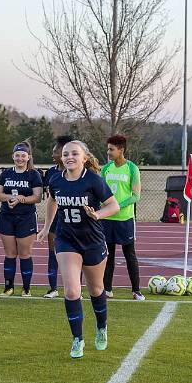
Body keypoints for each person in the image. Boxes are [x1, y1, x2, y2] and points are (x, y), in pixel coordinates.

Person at [37, 140, 119, 359]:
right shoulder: (55, 179)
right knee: (72, 291)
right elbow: (52, 201)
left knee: (96, 289)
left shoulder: (93, 180)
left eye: (74, 153)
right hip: (66, 240)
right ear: (61, 158)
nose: (69, 157)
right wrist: (46, 228)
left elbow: (114, 205)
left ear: (84, 157)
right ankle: (77, 339)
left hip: (92, 240)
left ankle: (102, 327)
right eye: (66, 154)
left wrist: (98, 214)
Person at [0, 141, 43, 297]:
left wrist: (21, 199)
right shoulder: (6, 173)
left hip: (26, 218)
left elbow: (37, 197)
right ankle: (8, 287)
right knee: (10, 253)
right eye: (17, 155)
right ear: (13, 156)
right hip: (7, 217)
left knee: (25, 253)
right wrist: (11, 197)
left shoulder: (34, 174)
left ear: (28, 157)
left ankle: (26, 288)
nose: (20, 158)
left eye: (23, 156)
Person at [101, 134, 145, 301]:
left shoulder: (132, 168)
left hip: (125, 219)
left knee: (129, 254)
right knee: (108, 255)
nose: (109, 152)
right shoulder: (106, 169)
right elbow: (100, 191)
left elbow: (136, 196)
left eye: (111, 149)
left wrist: (117, 205)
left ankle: (136, 290)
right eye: (108, 149)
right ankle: (107, 289)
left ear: (121, 150)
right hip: (107, 219)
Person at [41, 135, 72, 298]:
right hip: (55, 219)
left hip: (72, 218)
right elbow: (50, 198)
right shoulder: (51, 172)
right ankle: (53, 288)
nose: (53, 154)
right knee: (53, 253)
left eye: (55, 151)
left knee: (74, 255)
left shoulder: (76, 171)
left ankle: (75, 289)